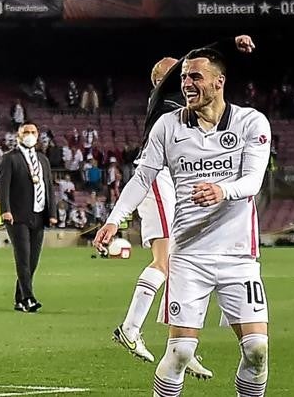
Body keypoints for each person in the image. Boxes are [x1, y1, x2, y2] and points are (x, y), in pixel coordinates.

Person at [95, 49, 272, 397]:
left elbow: (253, 181)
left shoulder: (251, 122)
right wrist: (115, 220)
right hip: (189, 257)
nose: (187, 84)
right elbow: (142, 178)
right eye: (183, 78)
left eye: (195, 77)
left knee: (257, 350)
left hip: (239, 256)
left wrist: (222, 190)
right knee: (180, 353)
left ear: (219, 82)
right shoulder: (168, 126)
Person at [0, 123, 56, 312]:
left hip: (38, 214)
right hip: (18, 215)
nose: (30, 135)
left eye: (33, 132)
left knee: (33, 261)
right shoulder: (9, 159)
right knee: (23, 257)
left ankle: (19, 299)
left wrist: (52, 213)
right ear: (18, 136)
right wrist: (5, 209)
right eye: (26, 132)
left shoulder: (42, 160)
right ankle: (29, 298)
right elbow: (2, 186)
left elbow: (49, 187)